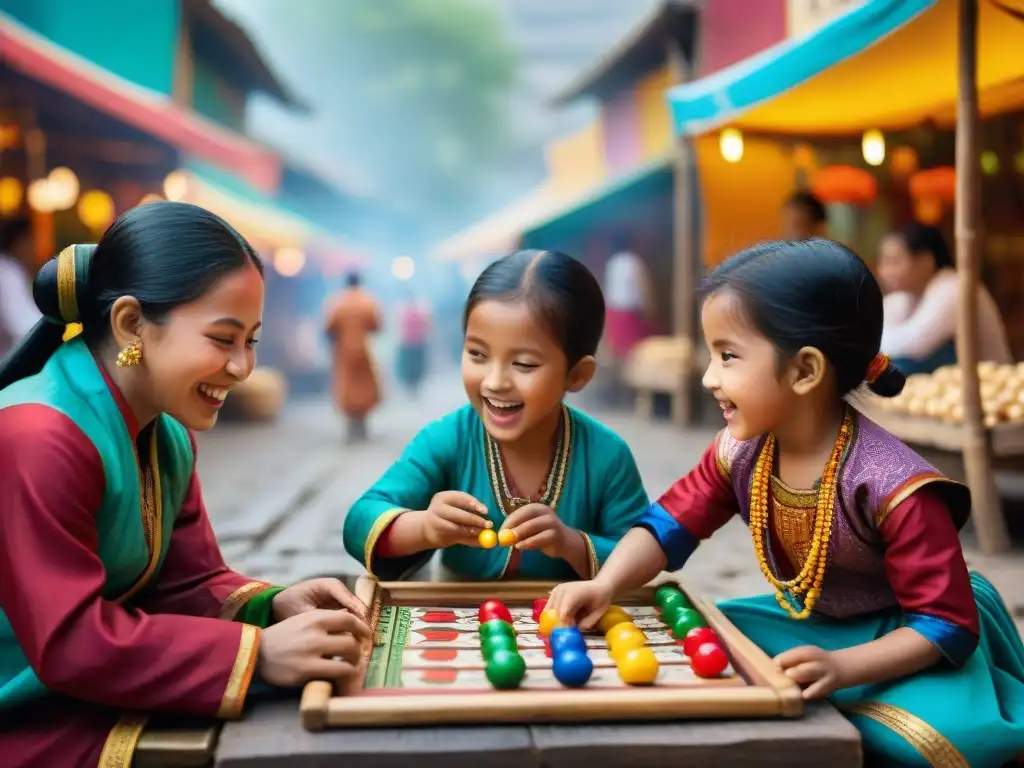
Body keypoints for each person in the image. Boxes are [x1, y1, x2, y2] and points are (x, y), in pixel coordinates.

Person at [548, 239, 1024, 768]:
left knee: (929, 741)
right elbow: (666, 525)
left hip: (907, 635)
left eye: (728, 356)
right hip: (810, 622)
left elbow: (946, 625)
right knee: (698, 640)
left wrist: (842, 668)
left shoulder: (894, 485)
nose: (709, 377)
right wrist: (605, 583)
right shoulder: (741, 450)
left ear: (804, 371)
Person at [0, 202, 372, 768]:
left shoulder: (167, 433)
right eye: (223, 339)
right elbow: (69, 642)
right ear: (131, 324)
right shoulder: (40, 436)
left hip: (80, 686)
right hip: (27, 708)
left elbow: (188, 581)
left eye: (250, 341)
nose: (243, 367)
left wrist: (273, 608)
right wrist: (257, 655)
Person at [343, 249, 650, 581]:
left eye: (524, 364)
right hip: (458, 626)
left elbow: (644, 553)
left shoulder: (607, 456)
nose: (494, 382)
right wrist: (425, 528)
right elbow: (360, 520)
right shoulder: (447, 440)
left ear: (577, 374)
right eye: (477, 354)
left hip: (570, 629)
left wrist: (570, 543)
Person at [878, 222, 1012, 374]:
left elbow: (915, 344)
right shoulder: (903, 296)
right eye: (883, 261)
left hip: (989, 388)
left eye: (894, 262)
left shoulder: (955, 288)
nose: (885, 271)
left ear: (925, 261)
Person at [324, 272, 382, 442]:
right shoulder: (368, 301)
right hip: (363, 350)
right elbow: (376, 325)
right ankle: (362, 423)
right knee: (365, 386)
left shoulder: (337, 302)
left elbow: (328, 327)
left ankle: (351, 424)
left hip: (343, 352)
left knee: (347, 385)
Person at [602, 232, 654, 362]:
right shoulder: (634, 261)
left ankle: (619, 375)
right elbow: (643, 285)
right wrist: (650, 306)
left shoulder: (612, 262)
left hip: (614, 310)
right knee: (633, 349)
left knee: (619, 348)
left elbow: (607, 287)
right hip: (630, 312)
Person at [0, 217, 42, 359]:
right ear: (20, 242)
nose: (34, 248)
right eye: (31, 241)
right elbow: (22, 326)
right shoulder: (6, 273)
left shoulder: (13, 270)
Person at [395, 290, 431, 397]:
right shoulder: (420, 310)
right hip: (416, 342)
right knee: (415, 366)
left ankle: (413, 385)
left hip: (410, 343)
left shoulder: (404, 311)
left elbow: (399, 326)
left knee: (411, 366)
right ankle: (414, 385)